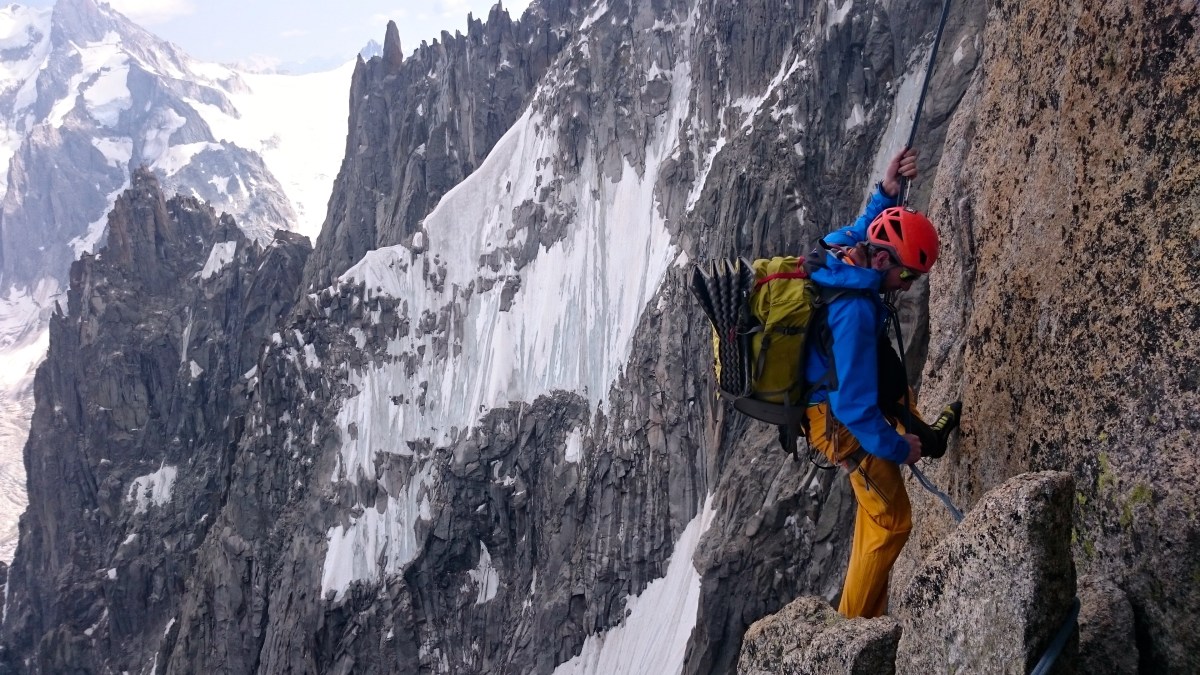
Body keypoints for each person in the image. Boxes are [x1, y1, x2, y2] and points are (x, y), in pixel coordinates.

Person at [802, 147, 960, 618]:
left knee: (893, 387)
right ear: (882, 261)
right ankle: (851, 634)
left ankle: (866, 615)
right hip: (837, 423)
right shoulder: (852, 311)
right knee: (890, 520)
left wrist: (887, 193)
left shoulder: (845, 251)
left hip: (836, 392)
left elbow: (864, 227)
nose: (908, 284)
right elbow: (853, 407)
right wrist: (897, 447)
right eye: (906, 274)